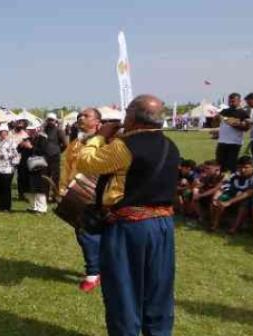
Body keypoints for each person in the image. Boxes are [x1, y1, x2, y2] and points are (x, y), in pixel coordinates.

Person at [76, 94, 180, 336]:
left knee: (124, 290)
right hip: (163, 225)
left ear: (132, 116)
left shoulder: (125, 146)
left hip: (130, 226)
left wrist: (100, 136)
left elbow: (85, 161)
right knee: (159, 290)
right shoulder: (170, 145)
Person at [58, 107, 103, 292]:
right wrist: (62, 189)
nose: (81, 118)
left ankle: (93, 273)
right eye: (79, 116)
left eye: (86, 115)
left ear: (98, 122)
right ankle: (97, 269)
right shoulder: (75, 143)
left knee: (87, 233)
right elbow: (67, 167)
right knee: (83, 232)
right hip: (75, 193)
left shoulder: (106, 142)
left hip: (96, 194)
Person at [210, 156, 253, 234]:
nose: (243, 170)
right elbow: (223, 187)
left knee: (245, 202)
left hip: (247, 199)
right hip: (234, 196)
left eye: (246, 167)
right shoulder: (235, 175)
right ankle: (214, 224)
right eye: (240, 167)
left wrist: (230, 202)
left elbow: (250, 192)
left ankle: (234, 228)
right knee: (221, 198)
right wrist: (215, 198)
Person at [216, 93, 250, 172]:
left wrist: (231, 122)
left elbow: (246, 128)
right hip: (222, 142)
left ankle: (233, 180)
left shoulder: (243, 113)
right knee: (220, 164)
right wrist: (215, 119)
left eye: (233, 101)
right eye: (229, 101)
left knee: (232, 165)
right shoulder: (224, 111)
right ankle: (222, 181)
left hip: (234, 143)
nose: (231, 103)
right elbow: (215, 124)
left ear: (239, 101)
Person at [0, 123, 19, 212]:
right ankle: (1, 205)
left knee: (6, 188)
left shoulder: (11, 142)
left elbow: (14, 154)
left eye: (0, 132)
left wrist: (0, 155)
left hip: (7, 169)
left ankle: (6, 207)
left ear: (5, 132)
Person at [19, 129, 50, 214]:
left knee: (39, 189)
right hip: (27, 168)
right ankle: (33, 207)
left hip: (38, 168)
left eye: (32, 130)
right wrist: (21, 145)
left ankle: (42, 209)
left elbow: (43, 152)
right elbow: (19, 149)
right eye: (29, 130)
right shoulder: (27, 139)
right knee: (29, 189)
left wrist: (31, 147)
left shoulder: (42, 138)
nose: (30, 131)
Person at [43, 113, 68, 202]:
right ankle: (45, 197)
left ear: (55, 121)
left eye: (52, 120)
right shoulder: (44, 130)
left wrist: (58, 151)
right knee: (45, 178)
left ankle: (55, 197)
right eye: (49, 120)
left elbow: (65, 144)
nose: (50, 121)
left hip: (55, 157)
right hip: (45, 158)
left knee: (55, 178)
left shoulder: (59, 131)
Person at [11, 120, 30, 199]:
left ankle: (22, 194)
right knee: (10, 176)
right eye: (18, 124)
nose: (19, 126)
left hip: (21, 158)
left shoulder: (25, 135)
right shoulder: (10, 133)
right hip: (11, 157)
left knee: (21, 176)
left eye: (21, 125)